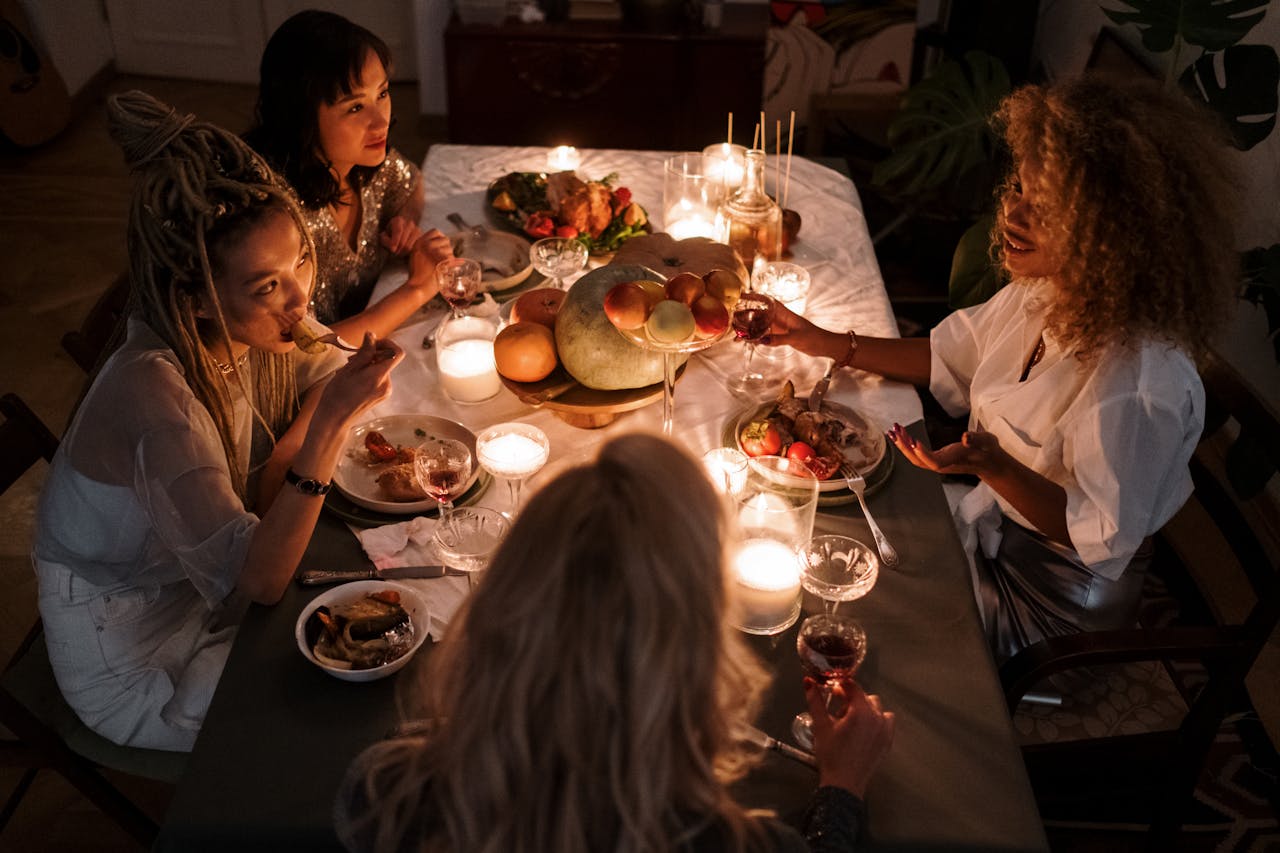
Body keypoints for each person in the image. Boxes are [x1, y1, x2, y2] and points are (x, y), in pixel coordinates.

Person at [763, 75, 1239, 663]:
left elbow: (1096, 533)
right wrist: (823, 340)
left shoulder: (1134, 383)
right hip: (990, 526)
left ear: (1116, 232)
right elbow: (948, 356)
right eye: (1018, 187)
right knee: (817, 538)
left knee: (845, 619)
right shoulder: (1048, 291)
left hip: (1052, 606)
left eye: (1049, 207)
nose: (1015, 212)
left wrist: (993, 466)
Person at [32, 91, 404, 751]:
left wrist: (324, 408)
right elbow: (260, 580)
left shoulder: (248, 329)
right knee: (351, 711)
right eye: (266, 285)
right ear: (196, 299)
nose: (299, 296)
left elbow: (324, 362)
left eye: (298, 262)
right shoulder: (153, 394)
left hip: (207, 597)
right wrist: (322, 434)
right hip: (138, 662)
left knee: (385, 631)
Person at [336, 434, 895, 853]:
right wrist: (841, 790)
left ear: (504, 595)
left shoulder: (383, 793)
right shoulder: (735, 843)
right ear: (697, 634)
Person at [244, 9, 452, 339]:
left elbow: (411, 181)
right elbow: (305, 353)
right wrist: (417, 289)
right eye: (355, 107)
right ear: (301, 117)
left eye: (382, 94)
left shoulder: (363, 163)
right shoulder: (275, 219)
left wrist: (404, 220)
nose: (381, 120)